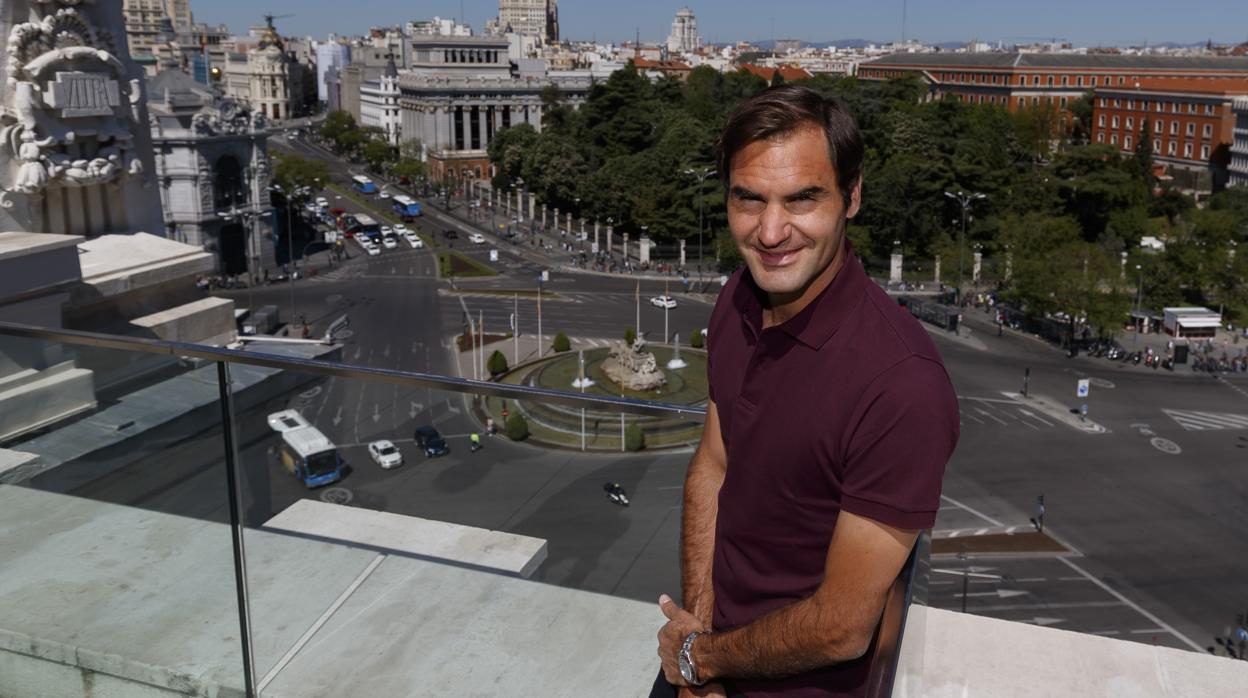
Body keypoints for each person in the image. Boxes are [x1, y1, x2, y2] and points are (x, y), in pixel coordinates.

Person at [652, 86, 959, 697]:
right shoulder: (738, 297)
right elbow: (714, 467)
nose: (770, 232)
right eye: (749, 199)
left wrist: (702, 659)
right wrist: (699, 641)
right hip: (709, 654)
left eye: (802, 199)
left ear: (853, 197)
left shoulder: (903, 385)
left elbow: (842, 626)